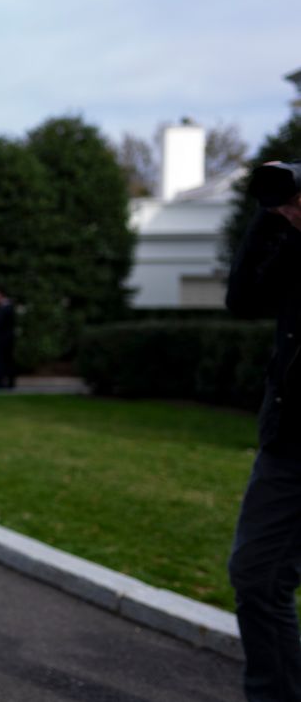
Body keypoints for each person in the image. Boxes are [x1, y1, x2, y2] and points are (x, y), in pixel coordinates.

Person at [226, 181, 301, 701]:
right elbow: (243, 298)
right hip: (290, 440)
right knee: (256, 575)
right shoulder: (293, 244)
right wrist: (268, 218)